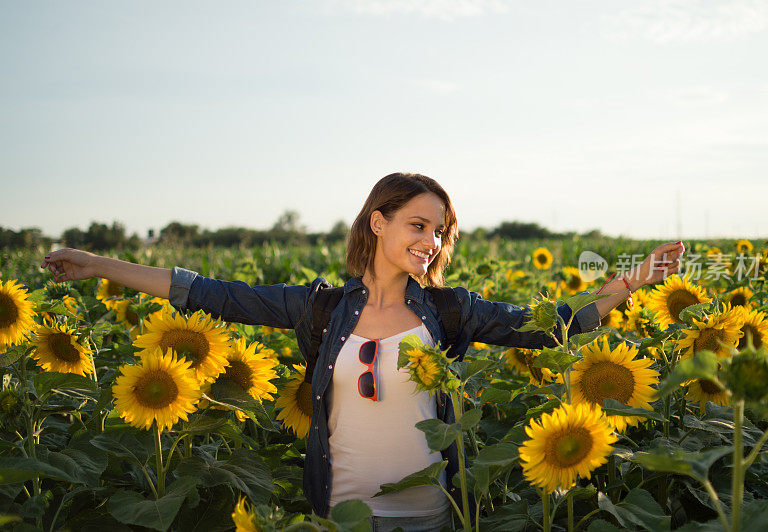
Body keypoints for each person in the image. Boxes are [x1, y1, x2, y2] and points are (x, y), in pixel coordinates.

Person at [41, 172, 684, 532]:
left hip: (432, 513)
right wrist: (100, 265)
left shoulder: (449, 311)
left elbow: (545, 327)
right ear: (378, 221)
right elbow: (214, 293)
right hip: (343, 516)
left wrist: (631, 283)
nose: (431, 241)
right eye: (417, 224)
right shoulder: (322, 308)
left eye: (440, 232)